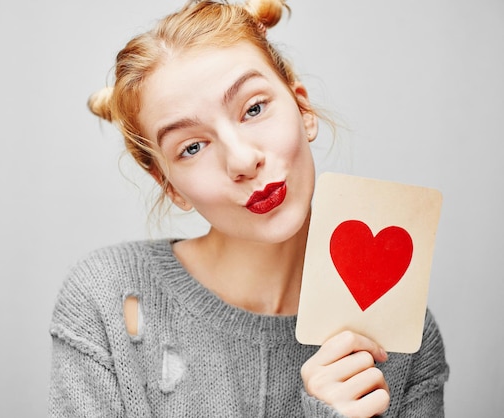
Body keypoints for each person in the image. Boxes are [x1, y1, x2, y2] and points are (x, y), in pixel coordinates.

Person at [48, 0, 449, 416]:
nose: (242, 160)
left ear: (303, 109)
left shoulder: (401, 337)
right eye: (192, 147)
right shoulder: (108, 299)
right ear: (170, 186)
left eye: (254, 109)